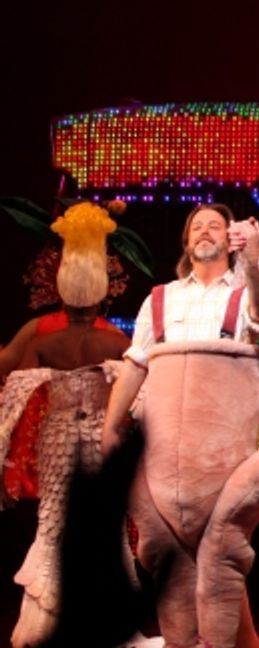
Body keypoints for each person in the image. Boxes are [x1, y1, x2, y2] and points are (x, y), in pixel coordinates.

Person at [101, 202, 259, 648]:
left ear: (229, 239)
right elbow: (134, 365)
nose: (205, 232)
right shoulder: (161, 297)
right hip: (165, 455)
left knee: (221, 558)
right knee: (173, 562)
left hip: (221, 458)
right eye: (196, 227)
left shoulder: (243, 293)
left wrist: (254, 257)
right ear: (187, 242)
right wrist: (111, 428)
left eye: (215, 227)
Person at [0, 202, 132, 647]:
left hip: (57, 444)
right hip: (99, 441)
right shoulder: (117, 340)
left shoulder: (44, 337)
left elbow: (12, 377)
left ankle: (48, 623)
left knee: (53, 526)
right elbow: (135, 394)